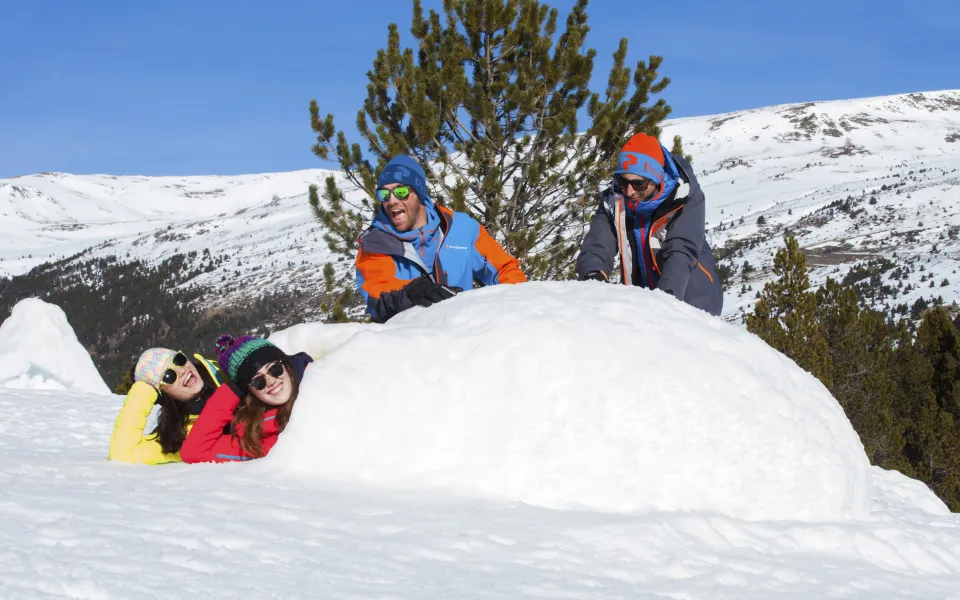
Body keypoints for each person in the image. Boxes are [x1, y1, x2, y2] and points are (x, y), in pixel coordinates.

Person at [355, 155, 527, 323]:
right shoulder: (375, 243)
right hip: (409, 342)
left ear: (420, 193)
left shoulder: (462, 228)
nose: (391, 201)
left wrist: (508, 309)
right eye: (384, 194)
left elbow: (504, 270)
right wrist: (409, 291)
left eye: (401, 192)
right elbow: (377, 293)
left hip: (465, 334)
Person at [576, 133, 723, 316]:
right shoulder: (614, 200)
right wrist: (593, 277)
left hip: (692, 305)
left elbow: (681, 251)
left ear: (657, 179)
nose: (630, 191)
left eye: (639, 184)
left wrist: (664, 303)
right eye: (623, 181)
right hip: (642, 306)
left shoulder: (684, 198)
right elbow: (597, 246)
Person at [179, 335, 313, 463]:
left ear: (286, 364)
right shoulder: (255, 437)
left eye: (275, 369)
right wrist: (233, 391)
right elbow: (194, 451)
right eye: (258, 382)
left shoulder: (319, 383)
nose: (271, 382)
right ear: (250, 392)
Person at [108, 348, 223, 464]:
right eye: (169, 377)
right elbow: (123, 454)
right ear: (164, 395)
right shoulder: (180, 438)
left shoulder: (226, 372)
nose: (181, 371)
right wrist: (144, 389)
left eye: (179, 360)